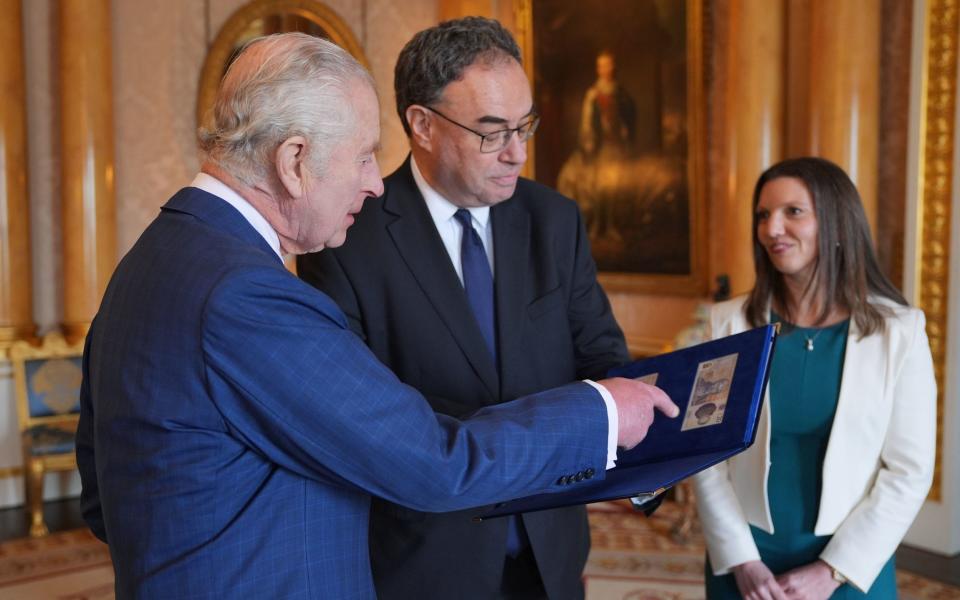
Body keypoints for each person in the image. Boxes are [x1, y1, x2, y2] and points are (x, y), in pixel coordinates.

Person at [75, 32, 679, 599]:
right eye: (363, 157)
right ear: (294, 161)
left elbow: (105, 497)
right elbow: (435, 462)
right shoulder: (245, 296)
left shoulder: (152, 260)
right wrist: (599, 410)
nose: (373, 184)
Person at [297, 18, 630, 600]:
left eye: (525, 125)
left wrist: (646, 450)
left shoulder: (554, 220)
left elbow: (601, 357)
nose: (517, 153)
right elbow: (362, 417)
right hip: (425, 562)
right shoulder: (348, 237)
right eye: (491, 131)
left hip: (551, 554)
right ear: (421, 125)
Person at [692, 157, 936, 599]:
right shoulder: (727, 323)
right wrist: (742, 561)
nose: (772, 229)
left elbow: (909, 470)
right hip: (745, 562)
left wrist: (832, 571)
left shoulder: (900, 331)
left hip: (851, 565)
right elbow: (706, 454)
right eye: (763, 215)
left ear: (838, 223)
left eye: (793, 212)